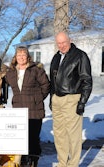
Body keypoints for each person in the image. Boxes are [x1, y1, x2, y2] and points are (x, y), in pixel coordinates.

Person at [50, 31, 92, 167]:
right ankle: (62, 163)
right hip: (57, 99)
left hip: (72, 98)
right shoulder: (56, 57)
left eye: (64, 42)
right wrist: (52, 98)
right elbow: (53, 80)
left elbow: (87, 80)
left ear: (70, 40)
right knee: (59, 134)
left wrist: (82, 102)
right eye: (59, 43)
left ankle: (73, 164)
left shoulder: (80, 56)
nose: (61, 46)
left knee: (73, 135)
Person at [5, 46, 50, 167]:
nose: (21, 57)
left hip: (34, 109)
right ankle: (23, 161)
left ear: (28, 56)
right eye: (19, 55)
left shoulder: (36, 70)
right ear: (15, 57)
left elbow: (46, 85)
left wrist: (37, 99)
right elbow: (4, 85)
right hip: (19, 110)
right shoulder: (11, 72)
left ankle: (34, 161)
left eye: (23, 55)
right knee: (21, 138)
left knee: (33, 138)